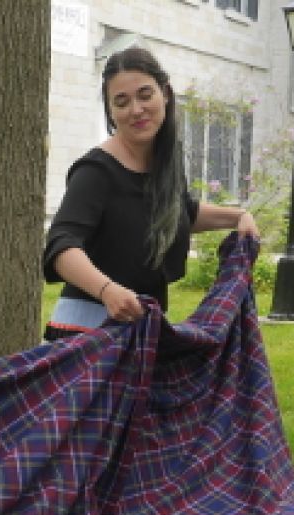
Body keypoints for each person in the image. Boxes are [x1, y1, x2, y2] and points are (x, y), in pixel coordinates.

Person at [41, 46, 260, 340]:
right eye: (121, 102)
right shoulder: (96, 171)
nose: (136, 109)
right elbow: (60, 246)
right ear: (111, 112)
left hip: (143, 326)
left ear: (165, 94)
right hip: (86, 331)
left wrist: (239, 217)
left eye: (145, 95)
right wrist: (108, 291)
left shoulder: (165, 161)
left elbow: (180, 211)